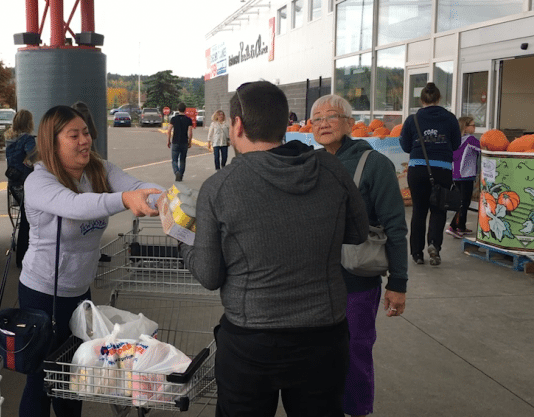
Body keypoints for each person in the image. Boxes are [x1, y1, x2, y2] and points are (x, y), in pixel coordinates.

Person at [179, 81, 369, 417]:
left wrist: (182, 234)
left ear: (237, 125)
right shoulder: (331, 170)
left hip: (251, 342)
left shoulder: (220, 187)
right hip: (325, 337)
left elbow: (209, 275)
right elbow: (357, 233)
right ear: (285, 123)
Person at [18, 105, 163, 417]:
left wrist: (164, 199)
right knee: (42, 377)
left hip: (79, 294)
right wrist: (123, 200)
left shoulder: (99, 170)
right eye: (74, 135)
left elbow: (136, 187)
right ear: (52, 143)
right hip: (42, 293)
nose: (84, 140)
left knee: (75, 377)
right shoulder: (39, 182)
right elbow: (76, 206)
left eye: (86, 133)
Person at [311, 94, 408, 417]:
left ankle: (357, 411)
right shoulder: (309, 163)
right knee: (317, 357)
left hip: (356, 283)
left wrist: (398, 282)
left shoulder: (374, 165)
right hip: (312, 283)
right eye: (317, 118)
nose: (323, 123)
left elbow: (395, 226)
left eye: (331, 116)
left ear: (350, 123)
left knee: (355, 352)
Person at [399, 82, 461, 265]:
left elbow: (405, 145)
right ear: (439, 98)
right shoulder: (450, 119)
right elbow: (456, 144)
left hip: (418, 169)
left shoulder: (413, 119)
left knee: (419, 210)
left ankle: (417, 254)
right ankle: (434, 245)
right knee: (439, 208)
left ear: (422, 100)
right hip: (442, 169)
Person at [4, 109, 38, 267]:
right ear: (28, 123)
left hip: (13, 183)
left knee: (24, 219)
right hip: (26, 182)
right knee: (28, 221)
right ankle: (24, 258)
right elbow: (33, 157)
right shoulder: (28, 139)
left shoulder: (9, 138)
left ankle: (21, 257)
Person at [446, 116, 480, 238]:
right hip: (466, 176)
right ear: (466, 127)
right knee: (464, 202)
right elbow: (483, 150)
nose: (475, 127)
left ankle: (460, 226)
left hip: (455, 175)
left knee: (461, 202)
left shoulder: (455, 140)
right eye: (473, 125)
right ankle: (455, 227)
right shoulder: (471, 139)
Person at [167, 102, 193, 181]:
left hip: (175, 141)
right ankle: (181, 175)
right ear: (185, 110)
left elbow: (169, 130)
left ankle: (176, 172)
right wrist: (189, 141)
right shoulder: (188, 120)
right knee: (182, 160)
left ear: (178, 109)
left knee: (174, 160)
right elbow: (190, 132)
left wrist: (168, 140)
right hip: (184, 142)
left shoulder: (174, 119)